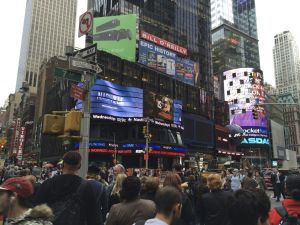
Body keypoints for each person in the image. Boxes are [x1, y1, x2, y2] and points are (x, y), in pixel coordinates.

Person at [35, 151, 104, 225]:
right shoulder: (87, 187)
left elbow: (36, 210)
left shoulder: (48, 183)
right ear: (79, 166)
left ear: (63, 164)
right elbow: (94, 217)